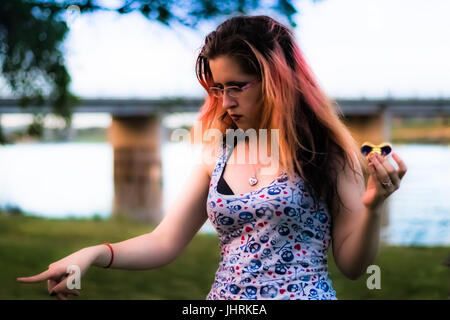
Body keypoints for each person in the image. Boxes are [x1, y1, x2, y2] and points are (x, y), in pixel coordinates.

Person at [16, 15, 407, 300]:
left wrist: (372, 207)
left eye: (236, 86)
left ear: (276, 80)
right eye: (217, 87)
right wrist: (94, 254)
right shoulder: (219, 152)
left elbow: (355, 268)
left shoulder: (328, 153)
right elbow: (164, 241)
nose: (225, 100)